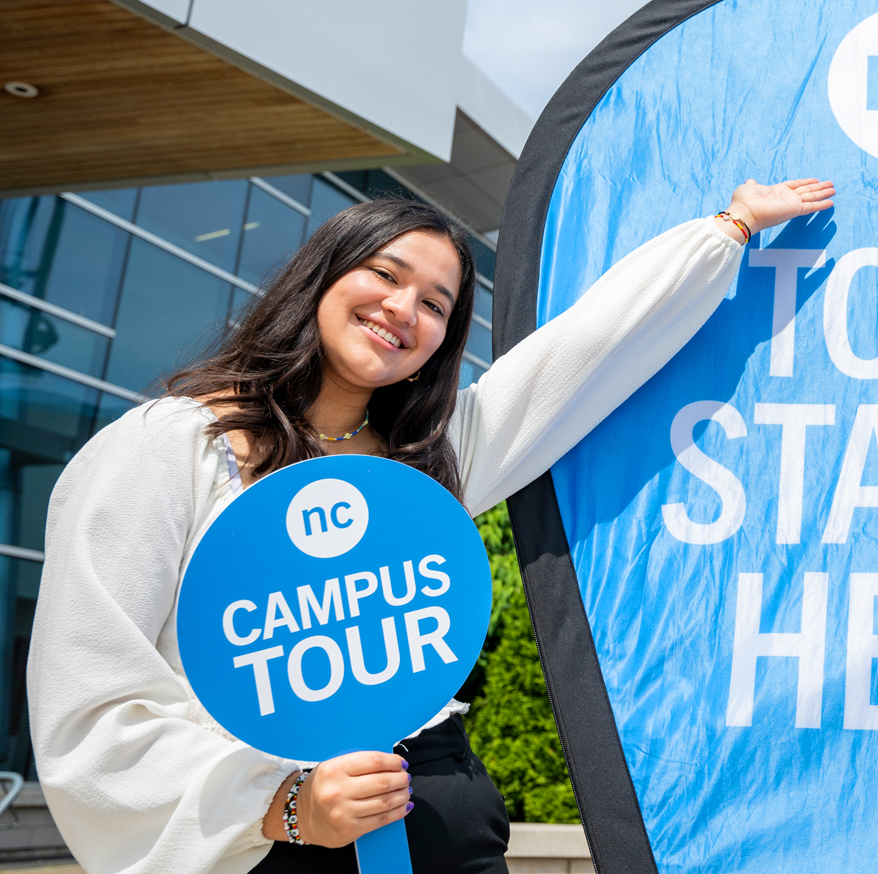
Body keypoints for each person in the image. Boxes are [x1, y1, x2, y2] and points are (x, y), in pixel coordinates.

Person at [27, 178, 834, 874]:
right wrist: (282, 804)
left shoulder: (424, 468)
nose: (401, 309)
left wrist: (725, 230)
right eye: (385, 273)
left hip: (441, 806)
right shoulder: (169, 447)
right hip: (267, 831)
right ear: (320, 276)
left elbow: (583, 354)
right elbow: (92, 702)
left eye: (436, 305)